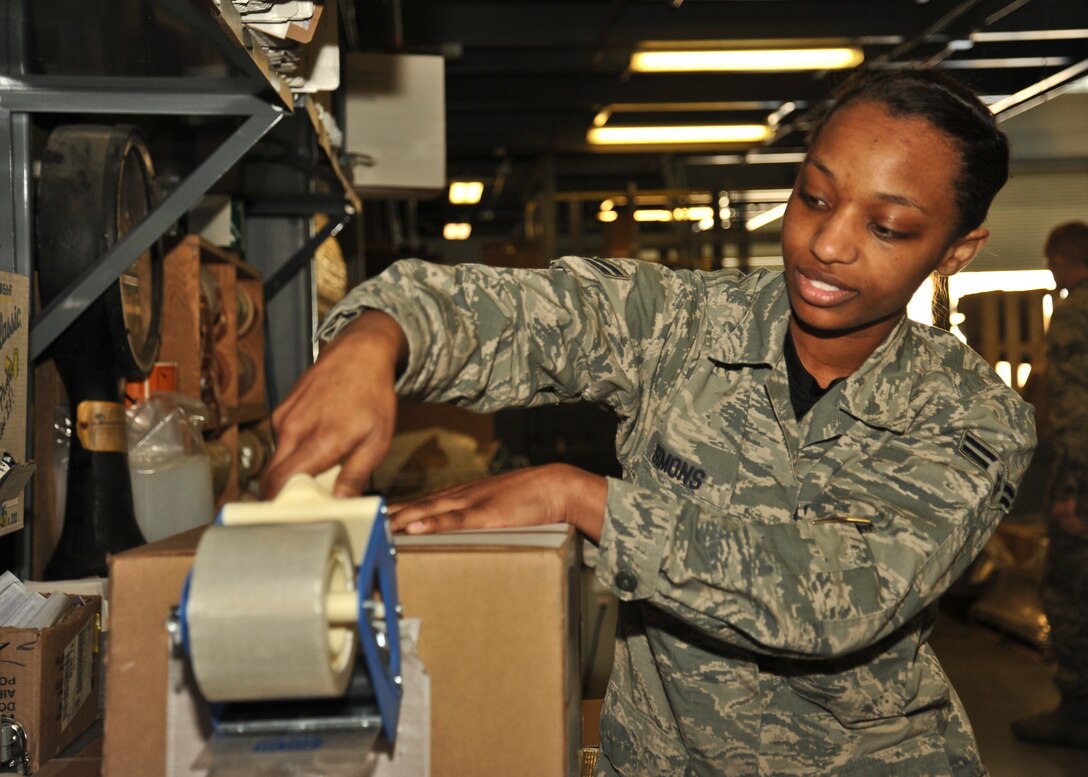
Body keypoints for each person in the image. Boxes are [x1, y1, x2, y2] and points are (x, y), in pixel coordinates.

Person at [263, 69, 1036, 776]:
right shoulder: (685, 326)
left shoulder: (975, 417)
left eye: (888, 227)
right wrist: (378, 336)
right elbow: (530, 313)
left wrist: (584, 499)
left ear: (957, 249)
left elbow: (842, 591)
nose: (827, 244)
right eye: (815, 197)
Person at [1013, 221, 1088, 748]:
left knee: (1068, 592)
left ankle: (1078, 711)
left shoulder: (1075, 313)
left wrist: (1071, 491)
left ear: (1064, 259)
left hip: (1084, 479)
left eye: (1050, 260)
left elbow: (1075, 411)